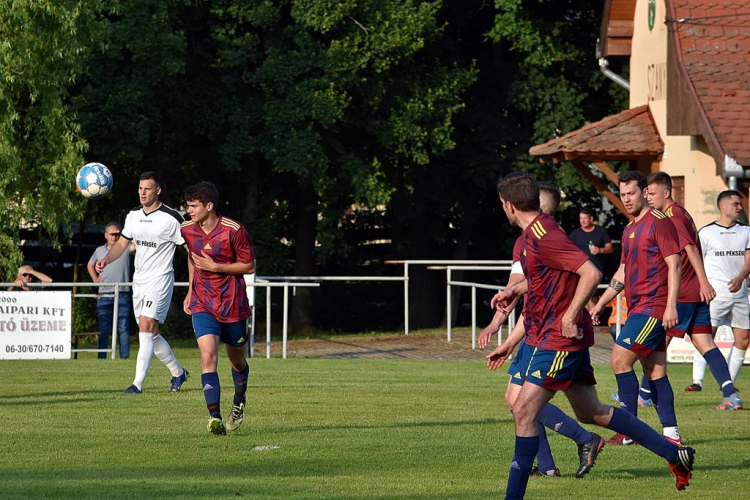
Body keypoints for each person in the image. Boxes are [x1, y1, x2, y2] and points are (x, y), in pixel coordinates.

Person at [491, 173, 694, 499]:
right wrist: (513, 291)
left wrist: (571, 315)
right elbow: (548, 277)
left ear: (509, 205)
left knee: (523, 411)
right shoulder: (531, 236)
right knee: (591, 412)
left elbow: (591, 271)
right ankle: (675, 454)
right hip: (554, 335)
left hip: (560, 337)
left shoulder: (544, 234)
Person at [480, 181, 604, 479]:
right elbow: (524, 288)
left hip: (547, 335)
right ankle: (549, 466)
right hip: (536, 329)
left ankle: (583, 441)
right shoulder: (534, 237)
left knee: (524, 404)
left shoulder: (542, 237)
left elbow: (535, 289)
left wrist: (502, 327)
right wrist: (499, 325)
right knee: (519, 401)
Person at [590, 171, 682, 447]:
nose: (627, 199)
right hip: (638, 307)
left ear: (645, 192)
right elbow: (622, 270)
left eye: (631, 193)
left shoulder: (660, 223)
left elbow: (674, 264)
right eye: (623, 194)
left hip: (653, 308)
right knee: (655, 372)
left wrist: (671, 306)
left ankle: (628, 430)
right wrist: (602, 302)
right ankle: (672, 434)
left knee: (619, 358)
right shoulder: (629, 229)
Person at [645, 173, 741, 411]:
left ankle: (643, 395)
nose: (648, 198)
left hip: (684, 292)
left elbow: (689, 248)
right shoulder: (681, 212)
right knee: (705, 343)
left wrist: (703, 281)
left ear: (666, 193)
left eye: (652, 193)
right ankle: (731, 394)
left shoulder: (673, 216)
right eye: (646, 193)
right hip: (694, 292)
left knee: (657, 343)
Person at [96, 171, 189, 394]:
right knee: (151, 334)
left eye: (147, 188)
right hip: (140, 282)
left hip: (161, 279)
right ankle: (178, 373)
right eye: (140, 188)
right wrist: (106, 260)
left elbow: (191, 251)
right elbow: (122, 244)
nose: (142, 192)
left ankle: (137, 384)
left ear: (158, 190)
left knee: (146, 328)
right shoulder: (133, 215)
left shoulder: (172, 217)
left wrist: (195, 287)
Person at [181, 181, 256, 436]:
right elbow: (193, 258)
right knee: (207, 357)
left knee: (236, 361)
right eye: (188, 206)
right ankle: (215, 417)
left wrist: (216, 267)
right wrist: (191, 291)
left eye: (193, 206)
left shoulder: (234, 230)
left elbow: (249, 266)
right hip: (203, 303)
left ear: (209, 206)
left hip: (233, 304)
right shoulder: (187, 230)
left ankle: (239, 399)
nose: (189, 210)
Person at [690, 190, 750, 394]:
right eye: (736, 204)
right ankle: (697, 380)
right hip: (715, 296)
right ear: (723, 206)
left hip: (740, 295)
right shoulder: (706, 233)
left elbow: (749, 260)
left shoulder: (746, 231)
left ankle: (728, 384)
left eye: (740, 204)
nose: (740, 207)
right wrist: (703, 284)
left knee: (743, 339)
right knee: (705, 336)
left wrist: (741, 277)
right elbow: (696, 261)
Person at [87, 222, 135, 359]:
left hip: (122, 292)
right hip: (104, 293)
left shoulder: (126, 248)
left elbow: (135, 247)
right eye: (112, 234)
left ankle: (124, 358)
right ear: (106, 235)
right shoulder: (99, 250)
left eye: (118, 234)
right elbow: (90, 264)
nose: (115, 237)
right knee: (103, 329)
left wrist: (130, 236)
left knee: (123, 328)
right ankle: (102, 357)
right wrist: (95, 278)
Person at [568, 208, 613, 274]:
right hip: (580, 272)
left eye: (585, 218)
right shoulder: (574, 234)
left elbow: (610, 248)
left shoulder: (601, 231)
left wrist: (600, 250)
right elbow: (568, 251)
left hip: (599, 271)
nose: (582, 221)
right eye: (581, 218)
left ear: (591, 218)